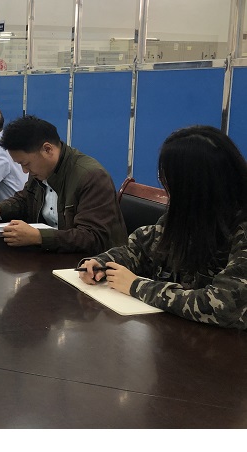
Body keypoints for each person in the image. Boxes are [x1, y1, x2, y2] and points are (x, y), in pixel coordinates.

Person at [79, 126, 247, 329]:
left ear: (194, 185)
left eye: (168, 180)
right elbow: (141, 249)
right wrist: (102, 263)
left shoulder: (240, 227)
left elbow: (224, 306)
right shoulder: (191, 213)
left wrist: (136, 286)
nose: (166, 188)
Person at [0, 115, 126, 254]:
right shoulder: (41, 170)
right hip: (55, 255)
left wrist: (38, 237)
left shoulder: (91, 177)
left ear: (47, 149)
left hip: (93, 266)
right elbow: (25, 200)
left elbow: (92, 237)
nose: (24, 171)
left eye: (25, 164)